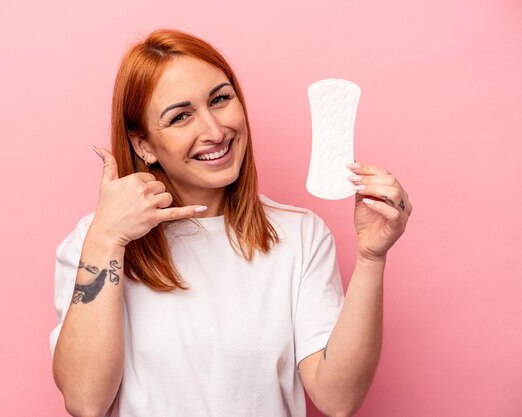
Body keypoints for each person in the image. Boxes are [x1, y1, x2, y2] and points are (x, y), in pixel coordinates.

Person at [50, 29, 412, 417]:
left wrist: (372, 258)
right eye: (180, 116)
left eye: (220, 99)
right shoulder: (96, 242)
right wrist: (107, 239)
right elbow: (85, 402)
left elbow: (337, 399)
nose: (215, 131)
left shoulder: (300, 234)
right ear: (144, 146)